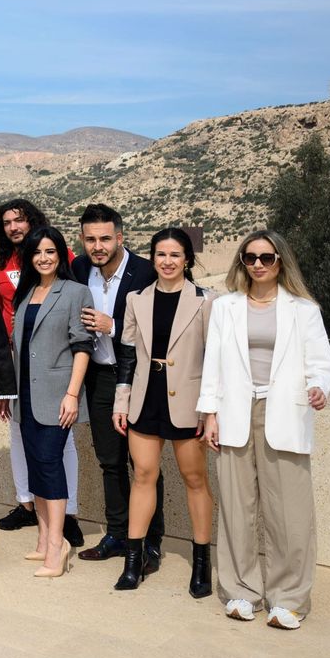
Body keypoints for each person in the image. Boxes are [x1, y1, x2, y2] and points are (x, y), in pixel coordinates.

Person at [198, 230, 330, 630]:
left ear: (281, 261)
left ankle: (288, 599)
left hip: (285, 414)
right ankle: (241, 591)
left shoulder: (304, 310)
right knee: (237, 509)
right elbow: (213, 364)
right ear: (242, 262)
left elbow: (322, 362)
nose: (258, 264)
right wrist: (209, 413)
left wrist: (318, 388)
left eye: (266, 257)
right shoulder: (225, 307)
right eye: (250, 257)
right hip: (235, 413)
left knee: (289, 513)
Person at [112, 229, 214, 595]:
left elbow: (214, 361)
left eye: (175, 255)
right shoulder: (136, 299)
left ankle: (202, 564)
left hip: (188, 402)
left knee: (195, 479)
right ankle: (133, 563)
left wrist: (210, 410)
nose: (167, 261)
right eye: (160, 254)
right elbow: (125, 354)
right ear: (152, 258)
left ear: (187, 259)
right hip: (144, 396)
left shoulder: (205, 302)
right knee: (143, 475)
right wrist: (121, 402)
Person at [0, 226, 93, 578]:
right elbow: (18, 348)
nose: (43, 258)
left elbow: (82, 345)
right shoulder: (26, 294)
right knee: (36, 466)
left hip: (57, 397)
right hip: (25, 397)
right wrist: (9, 392)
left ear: (61, 255)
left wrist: (72, 394)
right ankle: (43, 537)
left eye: (50, 251)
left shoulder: (75, 292)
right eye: (37, 252)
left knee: (50, 465)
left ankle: (58, 543)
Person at [0, 199, 83, 543]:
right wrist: (3, 377)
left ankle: (67, 511)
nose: (14, 227)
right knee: (16, 433)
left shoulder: (54, 253)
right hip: (14, 360)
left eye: (20, 220)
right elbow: (1, 313)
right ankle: (26, 504)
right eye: (8, 222)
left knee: (62, 439)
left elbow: (73, 299)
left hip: (52, 360)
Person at [71, 203, 159, 567]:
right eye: (90, 239)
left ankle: (149, 543)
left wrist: (114, 327)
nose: (98, 246)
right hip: (98, 378)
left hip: (139, 379)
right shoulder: (78, 269)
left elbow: (159, 330)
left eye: (105, 238)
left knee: (145, 465)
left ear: (119, 237)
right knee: (109, 461)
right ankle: (117, 535)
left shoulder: (146, 271)